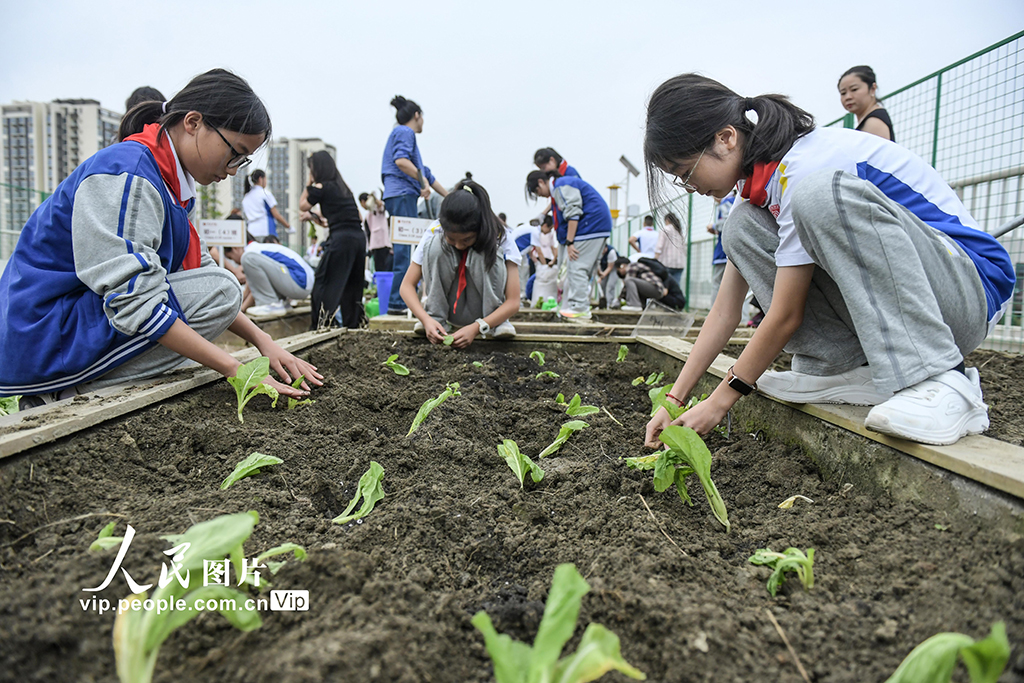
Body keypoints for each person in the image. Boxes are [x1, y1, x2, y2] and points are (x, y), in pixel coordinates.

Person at [642, 73, 1014, 447]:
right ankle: (846, 368)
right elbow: (725, 312)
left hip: (969, 292)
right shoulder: (761, 188)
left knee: (818, 194)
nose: (689, 186)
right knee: (740, 228)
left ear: (726, 138)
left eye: (685, 171)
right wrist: (675, 400)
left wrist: (720, 400)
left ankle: (944, 381)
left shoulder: (808, 165)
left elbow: (785, 315)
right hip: (933, 296)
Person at [0, 69, 320, 404]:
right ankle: (68, 392)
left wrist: (264, 343)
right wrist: (236, 369)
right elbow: (137, 302)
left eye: (243, 161)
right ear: (193, 122)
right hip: (45, 333)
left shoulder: (174, 185)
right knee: (223, 291)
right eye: (234, 153)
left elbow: (201, 278)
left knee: (221, 287)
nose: (232, 169)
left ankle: (87, 380)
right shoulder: (128, 176)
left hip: (72, 326)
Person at [399, 178, 520, 347]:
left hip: (487, 316)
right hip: (449, 312)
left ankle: (499, 323)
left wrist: (479, 326)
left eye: (466, 239)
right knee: (435, 244)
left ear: (479, 227)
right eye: (451, 239)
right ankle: (436, 319)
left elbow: (514, 301)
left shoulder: (501, 235)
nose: (458, 245)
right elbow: (406, 286)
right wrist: (426, 320)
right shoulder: (435, 230)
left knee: (487, 248)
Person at [381, 95, 448, 315]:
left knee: (407, 248)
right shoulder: (405, 132)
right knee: (407, 250)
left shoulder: (402, 135)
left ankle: (399, 301)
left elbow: (425, 173)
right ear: (417, 115)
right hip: (402, 195)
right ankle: (399, 303)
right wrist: (423, 184)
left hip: (400, 195)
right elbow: (402, 162)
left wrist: (448, 196)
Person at [526, 169, 611, 321]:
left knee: (576, 266)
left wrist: (570, 242)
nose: (541, 196)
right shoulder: (561, 185)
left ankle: (579, 308)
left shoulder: (561, 186)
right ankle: (580, 307)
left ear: (541, 182)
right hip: (597, 226)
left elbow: (573, 214)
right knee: (581, 269)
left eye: (538, 192)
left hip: (589, 226)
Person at [301, 150, 365, 330]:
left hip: (342, 239)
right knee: (352, 285)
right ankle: (354, 326)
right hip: (358, 238)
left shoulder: (322, 187)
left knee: (324, 281)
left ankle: (322, 324)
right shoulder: (344, 188)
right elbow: (357, 217)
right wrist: (317, 219)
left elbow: (303, 205)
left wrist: (308, 182)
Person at [225, 234, 313, 316]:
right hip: (302, 284)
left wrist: (241, 310)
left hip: (300, 282)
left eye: (230, 257)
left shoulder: (251, 253)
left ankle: (269, 304)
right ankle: (282, 303)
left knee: (247, 258)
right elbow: (252, 287)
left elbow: (256, 289)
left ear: (235, 248)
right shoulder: (259, 250)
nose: (234, 262)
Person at [838, 66, 895, 142]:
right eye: (843, 93)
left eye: (854, 89)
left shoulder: (874, 123)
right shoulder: (869, 121)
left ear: (872, 88)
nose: (848, 97)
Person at [615, 257, 686, 311]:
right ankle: (641, 307)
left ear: (622, 266)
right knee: (635, 285)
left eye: (619, 270)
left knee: (629, 280)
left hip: (656, 288)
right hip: (655, 289)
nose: (620, 272)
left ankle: (634, 305)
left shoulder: (631, 267)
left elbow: (626, 287)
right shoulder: (637, 267)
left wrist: (618, 300)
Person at [242, 169, 291, 240]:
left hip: (251, 232)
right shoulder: (265, 194)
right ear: (260, 179)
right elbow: (276, 215)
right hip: (265, 231)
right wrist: (288, 226)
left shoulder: (246, 197)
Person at [707, 191, 736, 304]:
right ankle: (743, 318)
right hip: (737, 249)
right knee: (738, 286)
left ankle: (714, 314)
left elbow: (727, 222)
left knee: (717, 283)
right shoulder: (738, 201)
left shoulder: (726, 203)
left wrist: (714, 226)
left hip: (723, 251)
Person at [360, 192, 392, 272]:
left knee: (385, 267)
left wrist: (374, 198)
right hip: (374, 246)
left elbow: (381, 206)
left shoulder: (377, 210)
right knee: (378, 268)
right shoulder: (368, 216)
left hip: (383, 244)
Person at [531, 215, 559, 307]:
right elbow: (537, 251)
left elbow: (553, 247)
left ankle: (545, 301)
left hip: (547, 259)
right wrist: (541, 264)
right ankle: (533, 299)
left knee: (547, 279)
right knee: (534, 279)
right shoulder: (536, 233)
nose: (550, 231)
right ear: (545, 225)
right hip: (538, 260)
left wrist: (554, 259)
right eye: (550, 228)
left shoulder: (550, 235)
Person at [655, 212, 687, 285]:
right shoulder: (679, 231)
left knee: (665, 286)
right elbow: (684, 249)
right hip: (680, 264)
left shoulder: (665, 229)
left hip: (667, 263)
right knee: (675, 287)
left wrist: (655, 260)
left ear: (667, 220)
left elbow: (659, 246)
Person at [596, 243, 620, 308]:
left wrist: (602, 276)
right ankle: (601, 304)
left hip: (614, 268)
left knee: (610, 285)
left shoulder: (611, 252)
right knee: (602, 285)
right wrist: (600, 274)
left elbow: (610, 267)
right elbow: (597, 265)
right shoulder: (597, 252)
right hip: (604, 268)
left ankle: (609, 304)